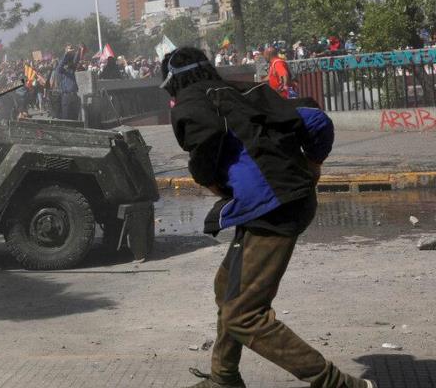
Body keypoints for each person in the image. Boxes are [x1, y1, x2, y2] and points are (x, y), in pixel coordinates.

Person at [160, 47, 376, 388]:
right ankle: (223, 377)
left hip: (273, 209)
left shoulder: (191, 102)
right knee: (226, 289)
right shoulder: (245, 90)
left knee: (244, 314)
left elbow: (206, 137)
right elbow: (316, 119)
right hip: (279, 201)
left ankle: (339, 385)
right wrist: (314, 164)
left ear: (173, 82)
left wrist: (207, 178)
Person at [55, 45, 80, 120]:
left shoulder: (72, 68)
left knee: (75, 118)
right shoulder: (62, 70)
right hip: (66, 96)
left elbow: (76, 60)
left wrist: (78, 51)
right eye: (69, 49)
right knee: (66, 119)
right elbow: (60, 66)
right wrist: (66, 54)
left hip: (74, 95)